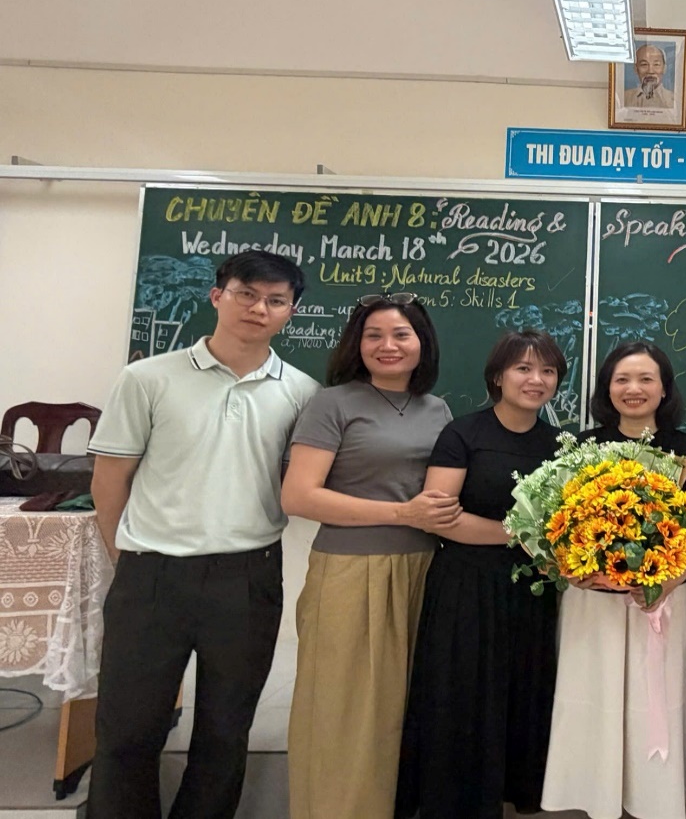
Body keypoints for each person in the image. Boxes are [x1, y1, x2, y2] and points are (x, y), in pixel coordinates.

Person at [86, 249, 319, 819]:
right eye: (246, 294)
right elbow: (110, 480)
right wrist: (126, 557)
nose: (258, 308)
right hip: (152, 574)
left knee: (225, 731)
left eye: (275, 300)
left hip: (248, 577)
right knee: (127, 728)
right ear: (217, 296)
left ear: (291, 312)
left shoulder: (303, 392)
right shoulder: (147, 378)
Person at [280, 293, 459, 819]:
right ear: (356, 345)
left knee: (400, 712)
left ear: (422, 343)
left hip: (423, 571)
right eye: (373, 335)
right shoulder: (333, 403)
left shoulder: (437, 409)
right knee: (344, 712)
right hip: (350, 572)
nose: (388, 345)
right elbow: (299, 496)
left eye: (401, 334)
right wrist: (403, 513)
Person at [395, 330, 568, 819]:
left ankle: (513, 794)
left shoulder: (561, 445)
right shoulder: (463, 434)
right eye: (523, 368)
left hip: (532, 591)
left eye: (548, 371)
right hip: (465, 585)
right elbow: (440, 518)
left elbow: (567, 526)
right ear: (497, 376)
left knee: (523, 691)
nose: (536, 380)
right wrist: (524, 536)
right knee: (463, 694)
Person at [542, 340, 686, 819]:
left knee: (655, 698)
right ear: (606, 389)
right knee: (592, 691)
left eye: (645, 379)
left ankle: (653, 797)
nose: (633, 389)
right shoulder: (582, 446)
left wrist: (666, 581)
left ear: (664, 389)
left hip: (662, 599)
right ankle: (592, 794)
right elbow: (557, 525)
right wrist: (579, 569)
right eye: (622, 379)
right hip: (592, 600)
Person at [622, 44, 676, 109]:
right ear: (636, 69)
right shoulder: (624, 98)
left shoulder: (674, 99)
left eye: (656, 64)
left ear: (664, 69)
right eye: (644, 64)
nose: (650, 71)